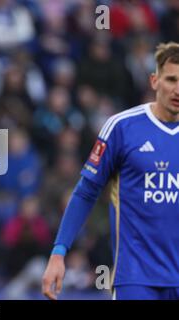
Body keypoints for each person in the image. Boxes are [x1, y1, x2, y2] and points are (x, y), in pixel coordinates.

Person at [42, 42, 179, 300]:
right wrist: (59, 253)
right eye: (171, 79)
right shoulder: (121, 128)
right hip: (136, 279)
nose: (177, 89)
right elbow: (86, 192)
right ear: (154, 81)